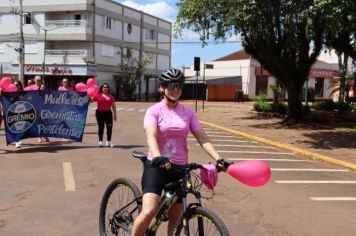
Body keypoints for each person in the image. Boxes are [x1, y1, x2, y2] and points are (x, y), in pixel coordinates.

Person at [131, 68, 228, 236]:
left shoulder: (188, 112)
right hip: (157, 166)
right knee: (149, 211)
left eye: (179, 86)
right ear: (162, 88)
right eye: (171, 86)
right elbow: (151, 136)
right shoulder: (154, 111)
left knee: (175, 219)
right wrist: (158, 156)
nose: (176, 89)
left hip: (179, 169)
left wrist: (218, 158)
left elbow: (202, 138)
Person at [92, 83, 117, 148]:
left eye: (107, 87)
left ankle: (108, 141)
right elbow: (91, 100)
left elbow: (113, 106)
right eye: (104, 87)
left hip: (108, 113)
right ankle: (100, 141)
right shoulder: (98, 95)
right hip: (99, 113)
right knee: (101, 127)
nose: (106, 88)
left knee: (109, 128)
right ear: (102, 88)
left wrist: (115, 114)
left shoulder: (110, 96)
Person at [34, 75, 49, 143]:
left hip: (43, 108)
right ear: (35, 80)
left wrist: (43, 90)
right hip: (35, 108)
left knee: (44, 123)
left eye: (40, 80)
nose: (39, 81)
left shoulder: (43, 87)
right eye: (37, 80)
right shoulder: (32, 88)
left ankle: (45, 135)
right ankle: (39, 137)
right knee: (38, 123)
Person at [13, 81, 24, 148]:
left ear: (19, 85)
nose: (15, 86)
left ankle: (18, 139)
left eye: (17, 85)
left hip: (22, 111)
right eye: (14, 85)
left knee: (20, 127)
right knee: (16, 126)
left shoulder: (23, 93)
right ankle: (17, 141)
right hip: (13, 112)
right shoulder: (10, 93)